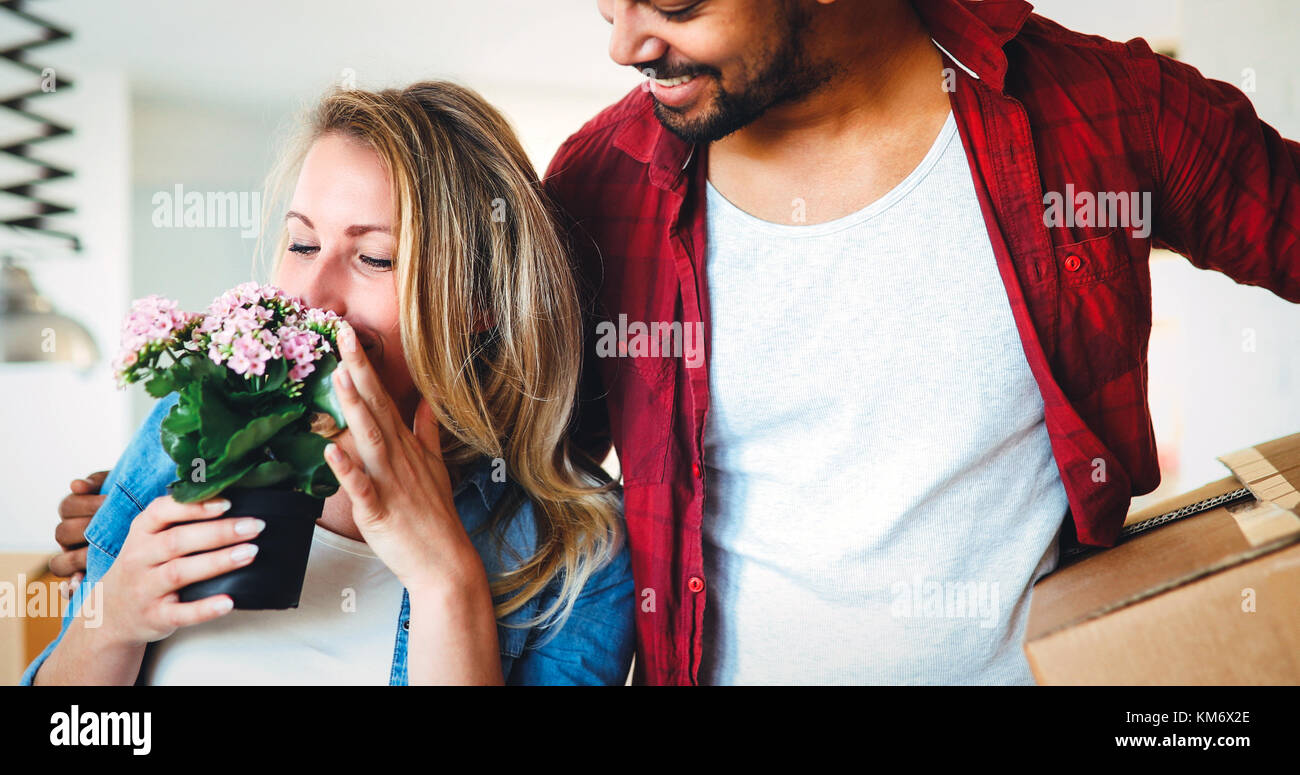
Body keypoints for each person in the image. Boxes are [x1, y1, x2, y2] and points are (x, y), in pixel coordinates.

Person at [53, 0, 1300, 686]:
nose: (624, 40)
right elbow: (527, 438)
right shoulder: (602, 185)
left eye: (675, 1)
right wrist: (132, 556)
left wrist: (443, 575)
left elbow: (531, 503)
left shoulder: (1098, 116)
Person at [25, 80, 635, 685]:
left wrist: (446, 581)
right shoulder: (184, 433)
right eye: (303, 243)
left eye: (374, 257)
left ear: (482, 300)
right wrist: (111, 625)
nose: (313, 297)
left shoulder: (577, 551)